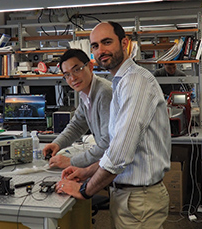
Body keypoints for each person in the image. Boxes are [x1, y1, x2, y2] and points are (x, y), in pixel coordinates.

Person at [55, 21, 171, 229]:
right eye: (95, 46)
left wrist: (85, 190)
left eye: (107, 42)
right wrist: (88, 170)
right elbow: (120, 146)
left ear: (124, 43)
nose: (101, 50)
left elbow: (119, 153)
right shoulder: (121, 82)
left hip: (139, 199)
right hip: (128, 195)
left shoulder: (135, 82)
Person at [43, 48, 112, 169]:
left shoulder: (104, 92)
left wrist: (71, 162)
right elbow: (77, 126)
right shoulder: (86, 93)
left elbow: (108, 144)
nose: (73, 78)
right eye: (67, 75)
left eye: (76, 70)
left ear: (90, 67)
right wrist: (57, 144)